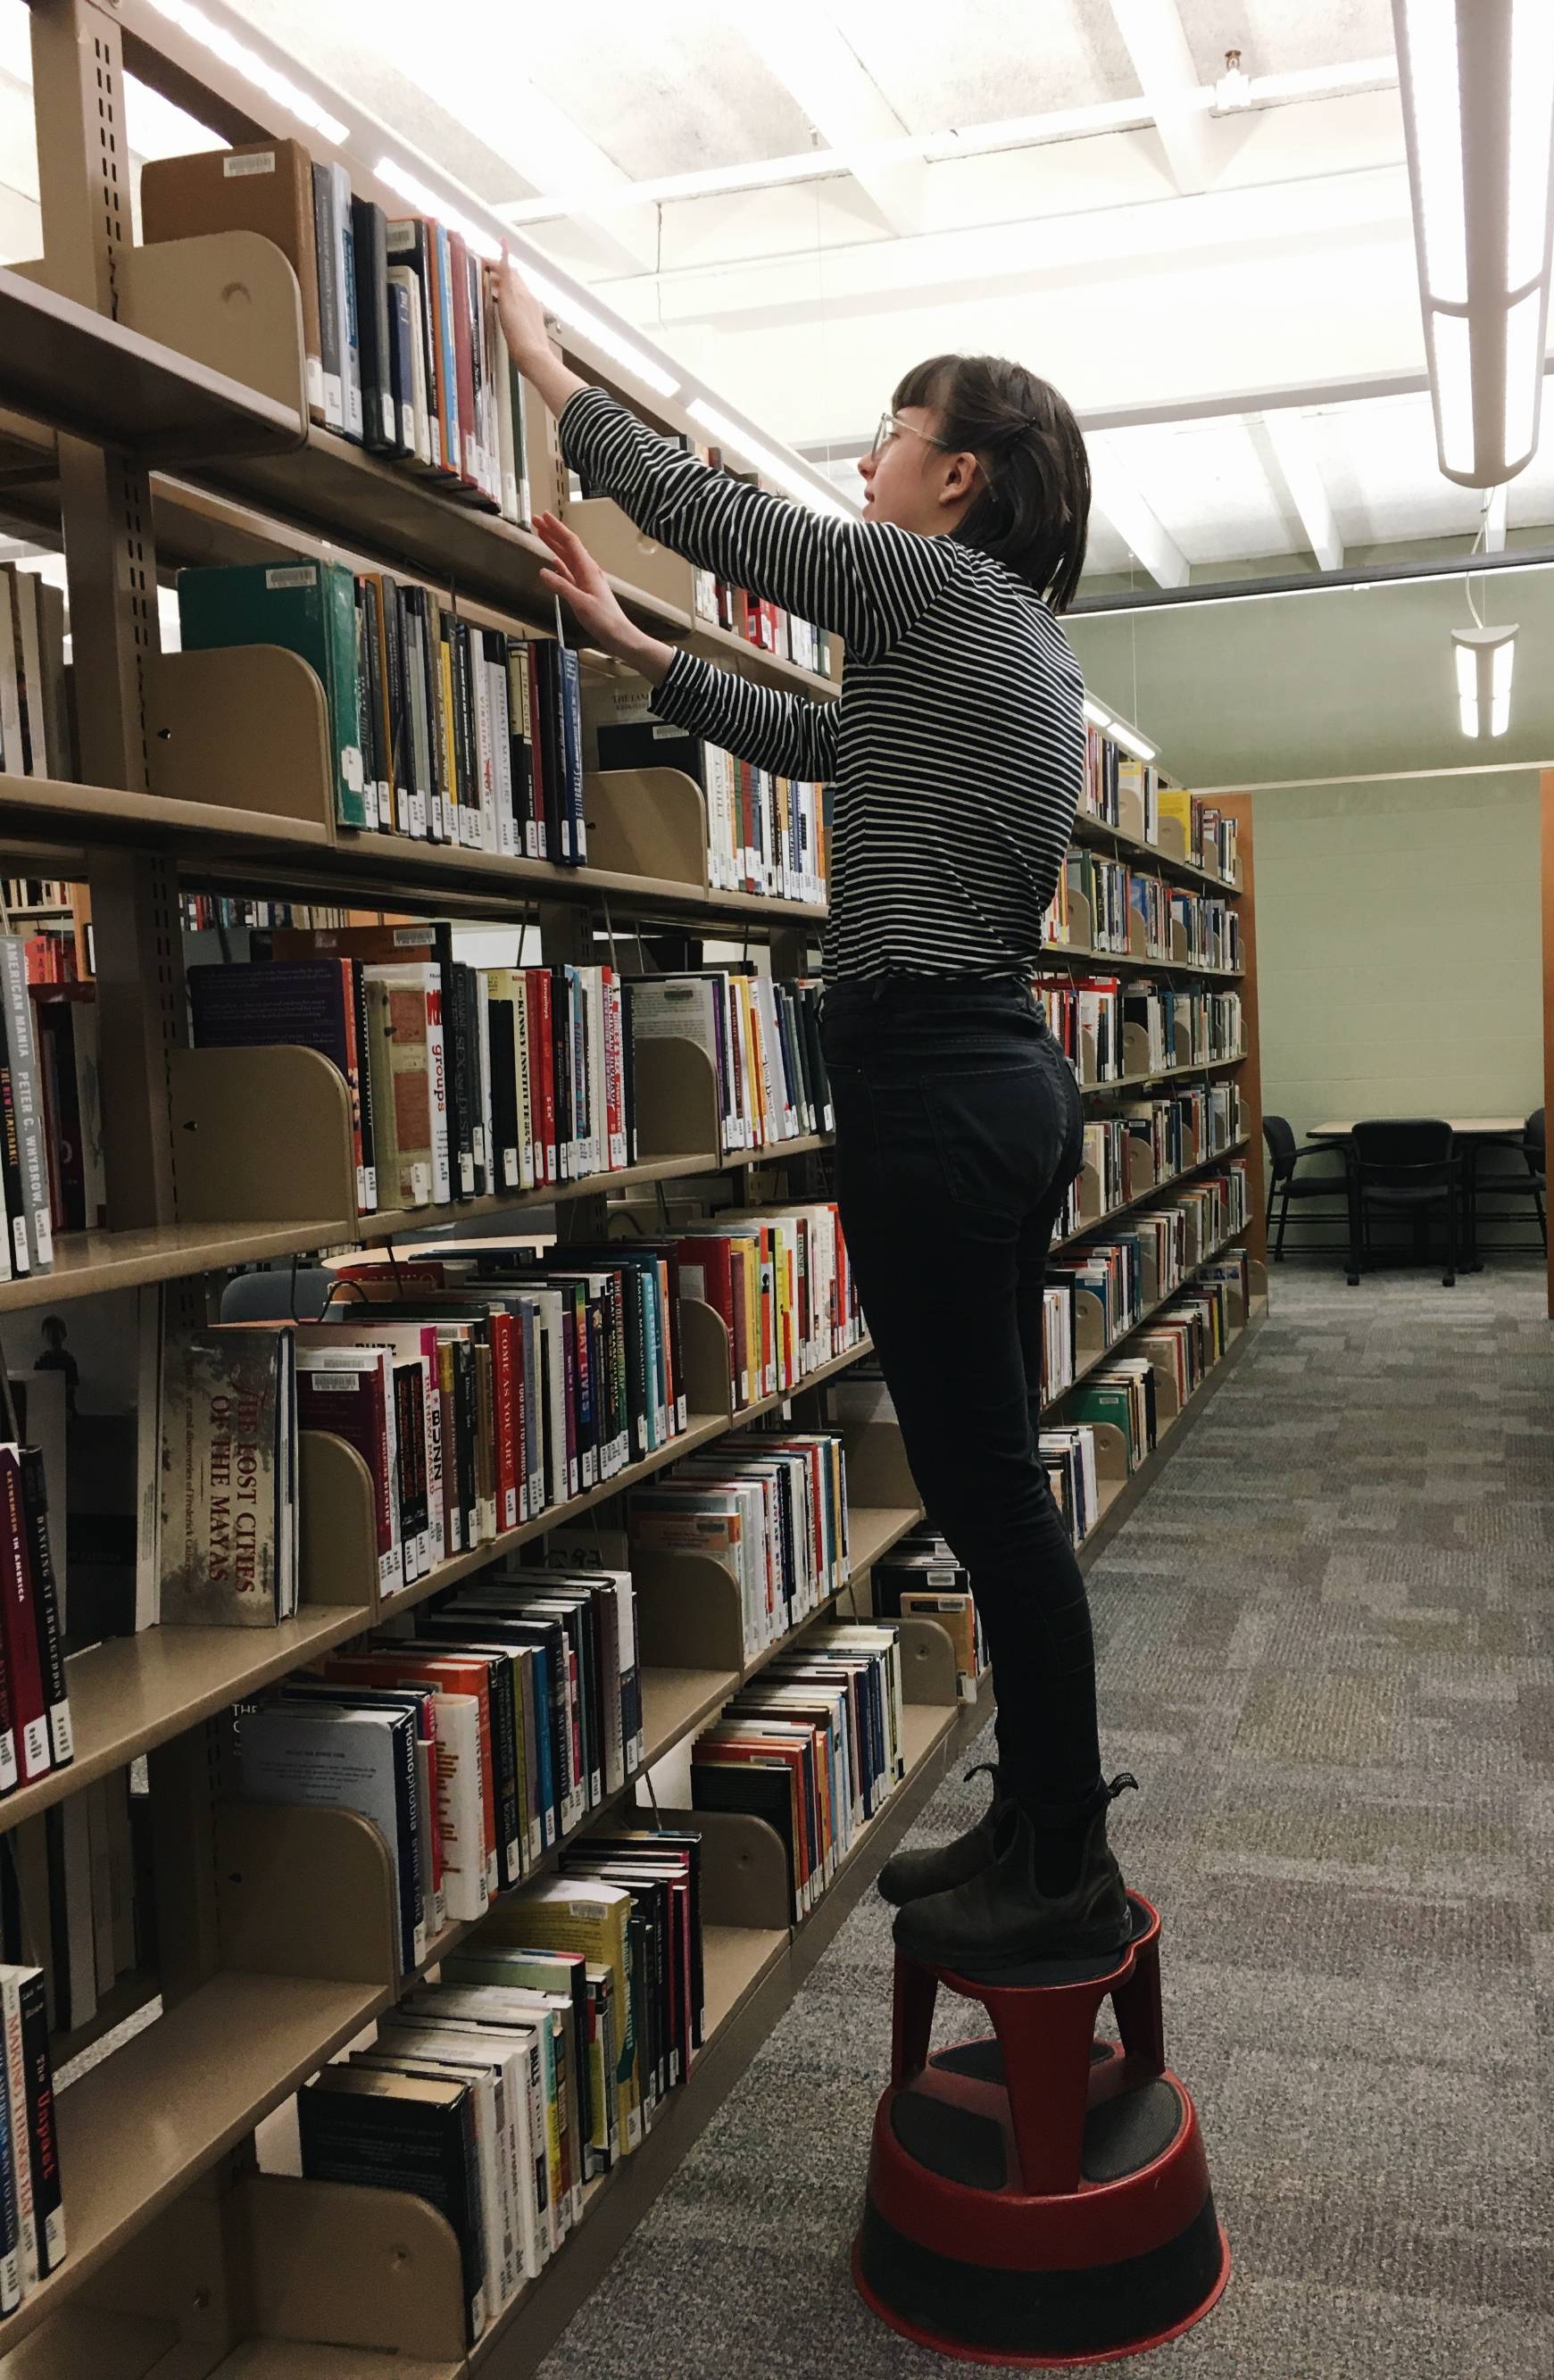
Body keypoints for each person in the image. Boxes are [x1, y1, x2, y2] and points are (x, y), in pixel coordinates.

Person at [497, 258, 1133, 1968]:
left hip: (934, 1079)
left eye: (891, 435)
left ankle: (1063, 1854)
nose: (866, 463)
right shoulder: (1016, 645)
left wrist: (548, 371)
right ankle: (1039, 1811)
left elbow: (719, 518)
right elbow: (830, 745)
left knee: (986, 1488)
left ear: (958, 475)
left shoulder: (931, 584)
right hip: (993, 1076)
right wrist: (645, 652)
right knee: (992, 1476)